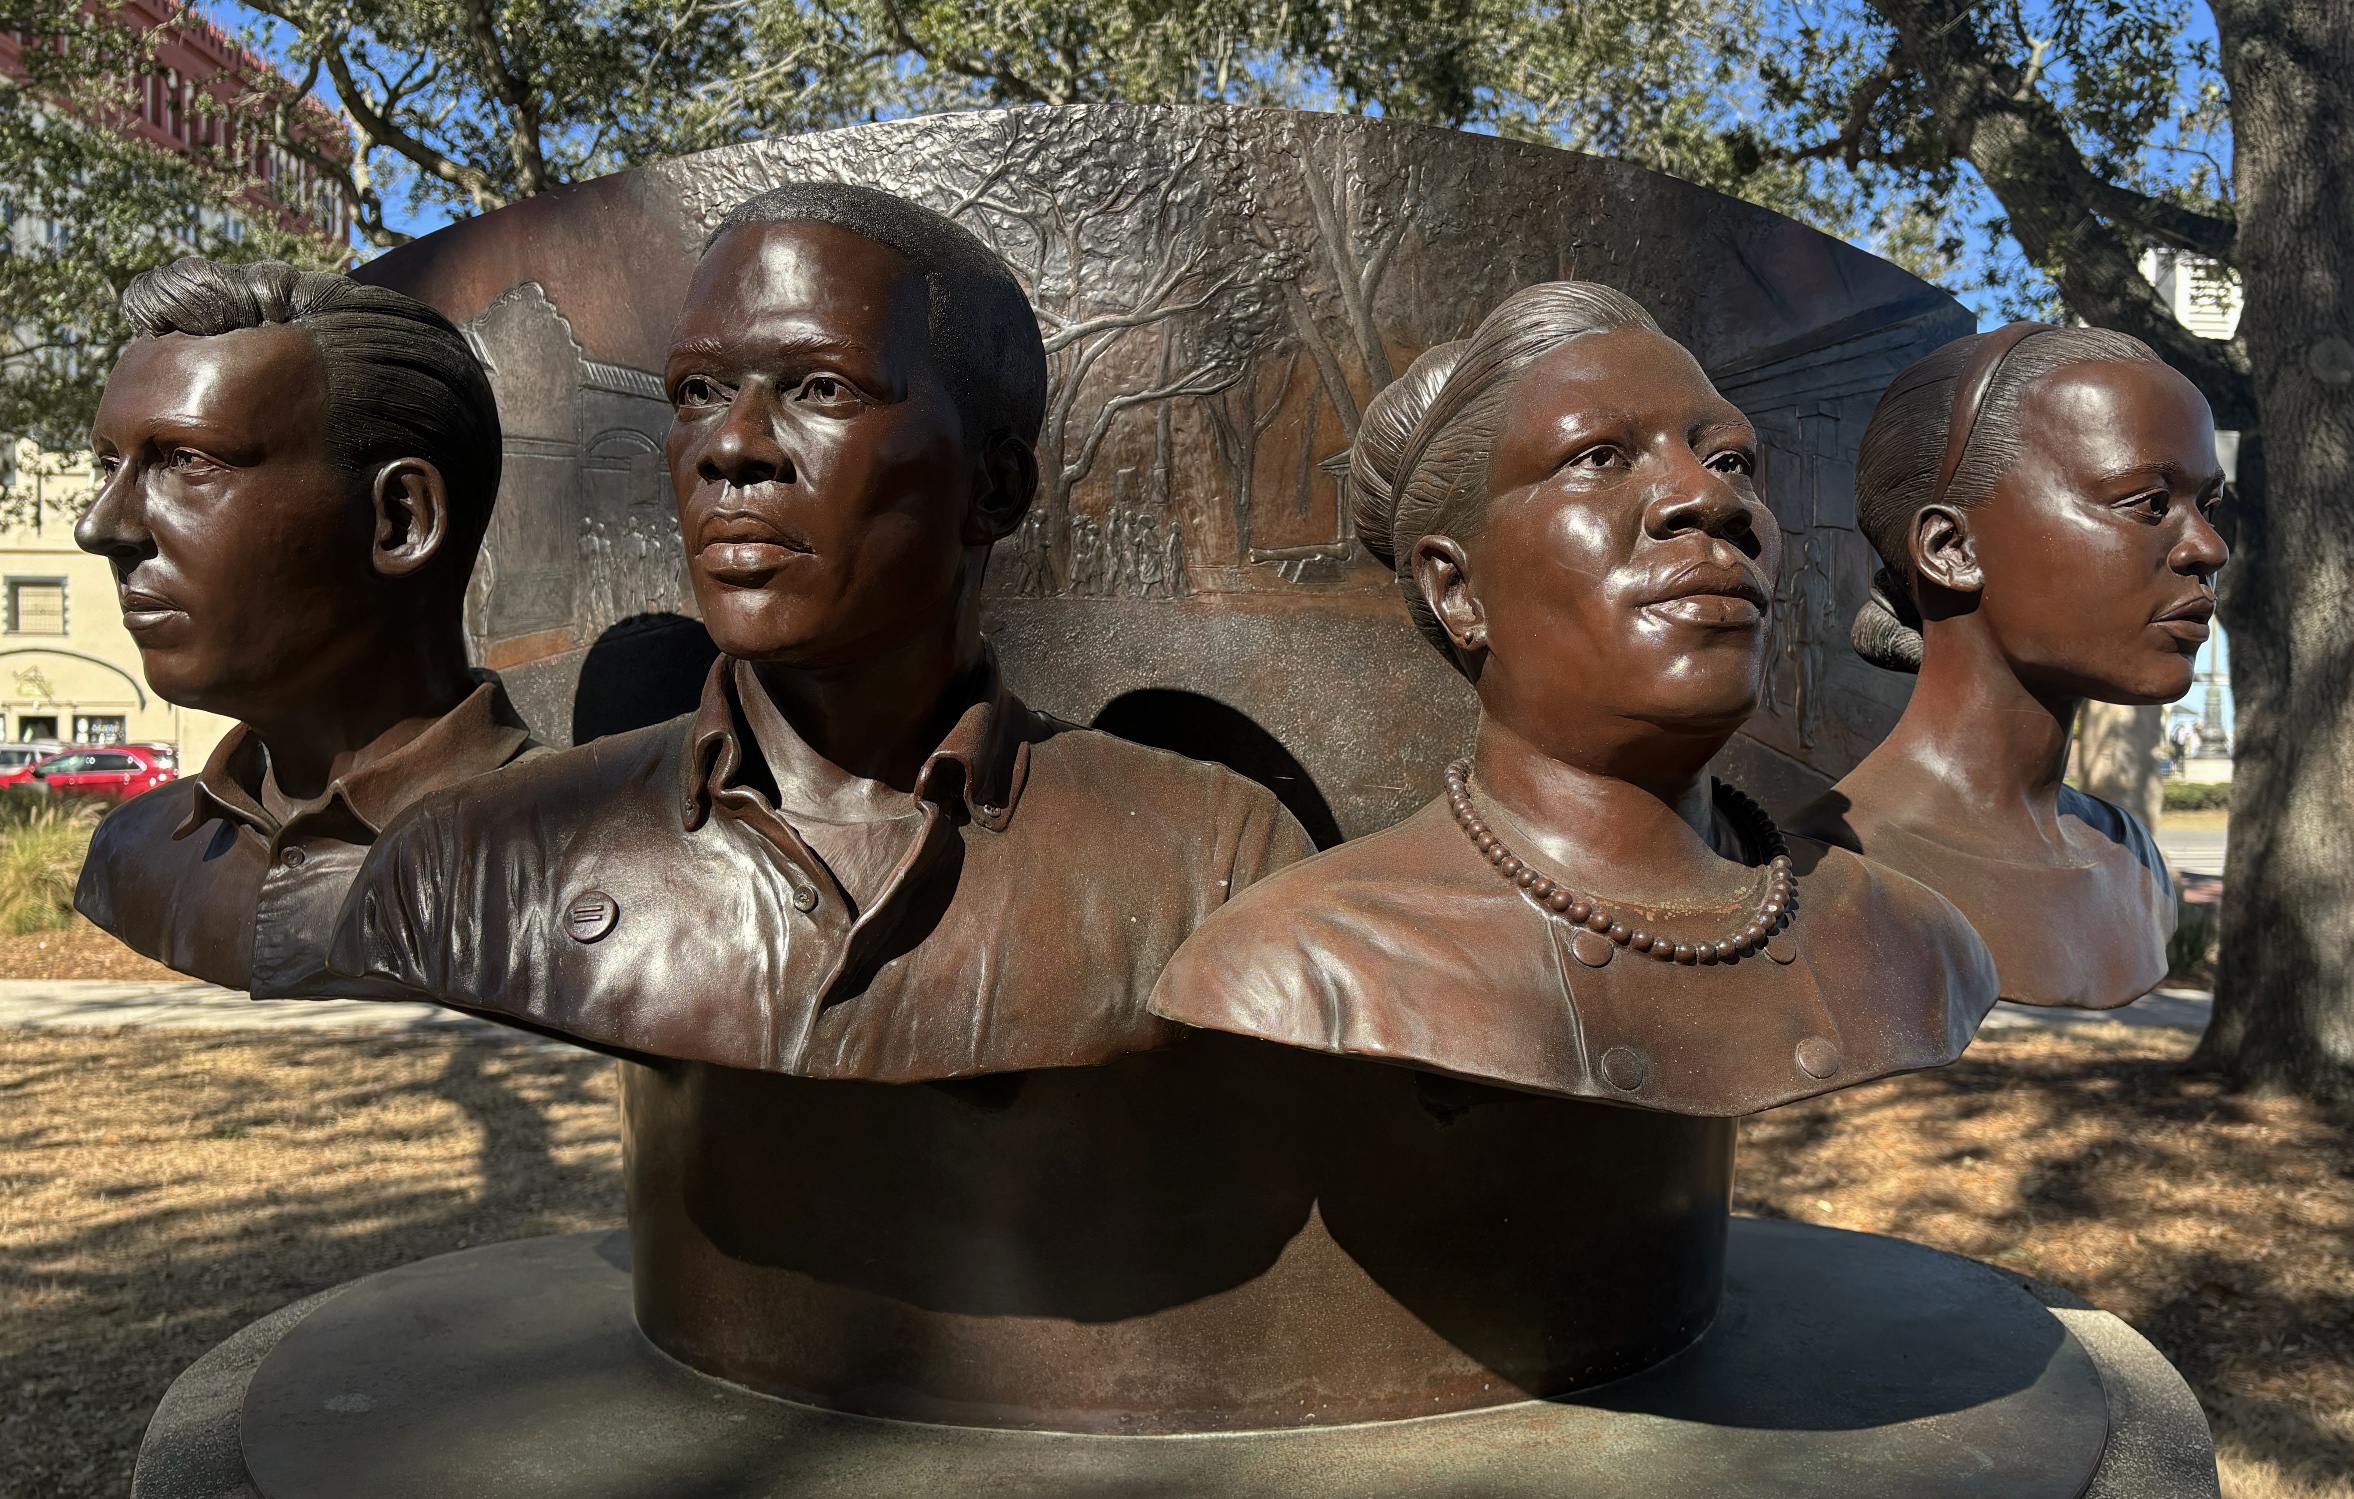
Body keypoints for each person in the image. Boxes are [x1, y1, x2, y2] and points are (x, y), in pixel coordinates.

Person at [330, 183, 1311, 1078]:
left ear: (994, 486)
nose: (730, 447)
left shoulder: (1210, 863)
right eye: (698, 392)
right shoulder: (471, 864)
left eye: (821, 387)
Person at [1150, 283, 1997, 1116]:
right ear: (1458, 591)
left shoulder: (1913, 943)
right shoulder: (1300, 965)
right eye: (1599, 456)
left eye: (1732, 459)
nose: (1711, 498)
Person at [72, 258, 537, 999]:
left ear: (401, 520)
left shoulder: (592, 862)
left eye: (187, 461)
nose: (100, 526)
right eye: (108, 464)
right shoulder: (133, 853)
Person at [1792, 324, 2225, 1008]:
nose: (2208, 546)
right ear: (1951, 548)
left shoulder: (2132, 860)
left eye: (2210, 505)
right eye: (2149, 503)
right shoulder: (1830, 882)